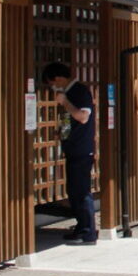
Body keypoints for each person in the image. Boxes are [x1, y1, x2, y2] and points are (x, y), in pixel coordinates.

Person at [42, 62, 98, 245]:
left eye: (52, 83)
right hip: (73, 147)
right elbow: (69, 120)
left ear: (58, 78)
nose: (53, 87)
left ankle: (88, 233)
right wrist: (61, 133)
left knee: (81, 192)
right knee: (74, 191)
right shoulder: (70, 92)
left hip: (82, 149)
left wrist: (64, 102)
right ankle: (82, 227)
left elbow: (82, 117)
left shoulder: (79, 92)